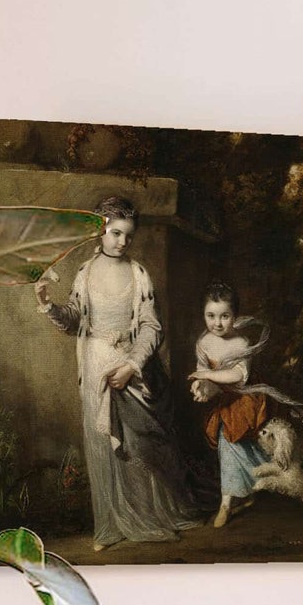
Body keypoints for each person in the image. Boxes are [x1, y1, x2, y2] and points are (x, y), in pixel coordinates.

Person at [34, 197, 200, 552]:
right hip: (96, 364)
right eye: (115, 233)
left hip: (132, 366)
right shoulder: (85, 272)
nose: (122, 241)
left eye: (128, 235)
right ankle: (110, 525)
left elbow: (151, 327)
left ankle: (146, 517)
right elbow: (74, 320)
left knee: (138, 444)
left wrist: (131, 366)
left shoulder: (139, 273)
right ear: (100, 231)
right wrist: (49, 304)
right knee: (104, 445)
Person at [189, 281, 303, 527]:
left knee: (239, 444)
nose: (217, 323)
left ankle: (237, 499)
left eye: (224, 316)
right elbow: (201, 370)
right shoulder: (203, 342)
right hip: (222, 401)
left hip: (245, 401)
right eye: (211, 316)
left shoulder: (241, 344)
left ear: (235, 316)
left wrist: (208, 379)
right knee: (228, 446)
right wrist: (200, 387)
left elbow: (237, 377)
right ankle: (232, 500)